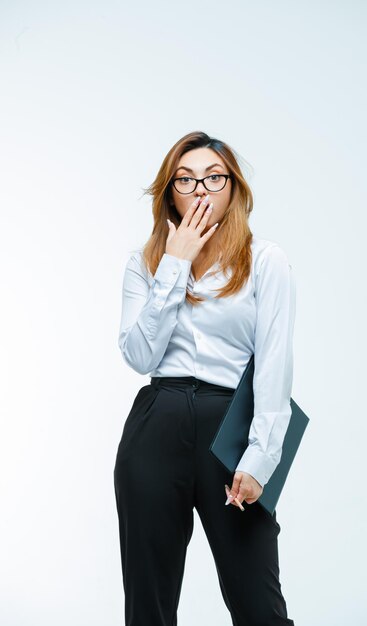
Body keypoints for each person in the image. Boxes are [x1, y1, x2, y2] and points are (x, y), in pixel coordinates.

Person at [113, 130, 296, 625]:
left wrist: (261, 457)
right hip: (158, 420)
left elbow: (275, 366)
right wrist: (176, 262)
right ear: (170, 191)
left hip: (231, 424)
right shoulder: (144, 262)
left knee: (258, 602)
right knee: (148, 604)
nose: (200, 189)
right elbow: (140, 355)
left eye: (213, 177)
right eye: (186, 179)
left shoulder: (264, 261)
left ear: (232, 188)